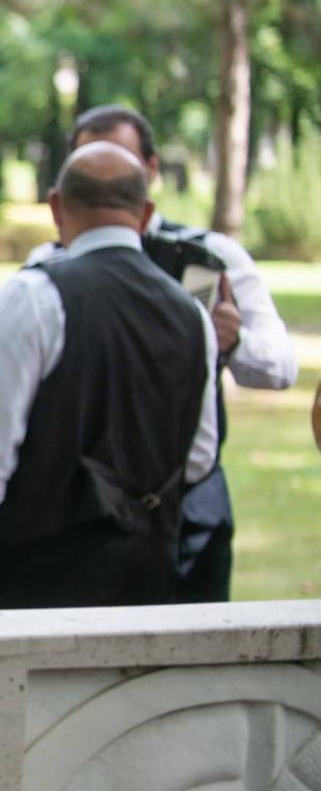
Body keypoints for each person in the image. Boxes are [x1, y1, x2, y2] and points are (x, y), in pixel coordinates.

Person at [0, 142, 220, 612]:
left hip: (29, 588)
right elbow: (199, 457)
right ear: (145, 213)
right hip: (146, 583)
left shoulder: (33, 295)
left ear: (55, 206)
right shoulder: (193, 313)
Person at [27, 106, 297, 603]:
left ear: (150, 171)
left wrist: (233, 342)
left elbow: (282, 368)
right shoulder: (46, 269)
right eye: (90, 165)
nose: (109, 183)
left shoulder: (210, 257)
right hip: (78, 502)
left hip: (191, 498)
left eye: (123, 164)